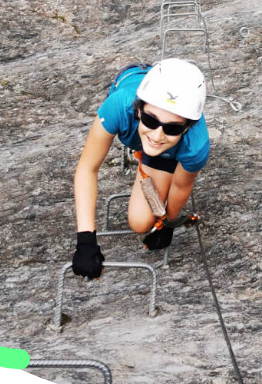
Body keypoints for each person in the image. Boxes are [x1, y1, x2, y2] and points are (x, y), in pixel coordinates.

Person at [72, 60, 209, 278]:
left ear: (187, 127)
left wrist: (168, 224)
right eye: (150, 120)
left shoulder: (195, 145)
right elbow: (88, 168)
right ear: (139, 109)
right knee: (153, 145)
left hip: (167, 152)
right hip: (131, 83)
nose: (157, 135)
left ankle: (150, 159)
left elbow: (182, 185)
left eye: (172, 128)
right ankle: (148, 152)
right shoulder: (119, 105)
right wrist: (86, 239)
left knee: (141, 222)